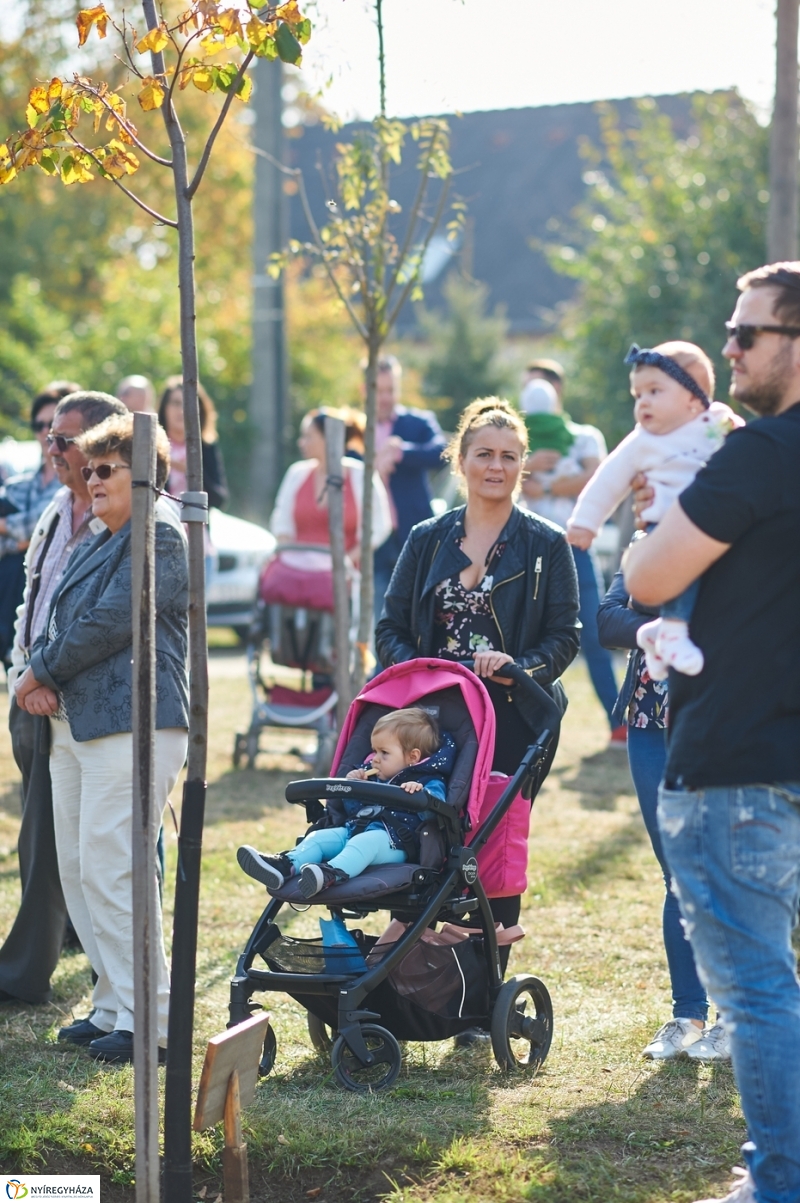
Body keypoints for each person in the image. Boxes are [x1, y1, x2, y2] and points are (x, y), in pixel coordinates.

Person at [624, 261, 800, 1203]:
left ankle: (780, 1185)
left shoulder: (760, 453)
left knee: (762, 993)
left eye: (748, 333)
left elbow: (647, 581)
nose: (727, 347)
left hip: (738, 765)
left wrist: (648, 533)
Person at [13, 410, 189, 1064]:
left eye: (105, 468)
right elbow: (65, 621)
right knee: (83, 869)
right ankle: (114, 1003)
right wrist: (42, 680)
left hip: (134, 721)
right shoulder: (96, 539)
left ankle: (156, 1019)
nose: (92, 479)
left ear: (143, 473)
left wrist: (41, 670)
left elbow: (115, 620)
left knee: (116, 869)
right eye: (86, 469)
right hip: (77, 722)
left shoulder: (160, 532)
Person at [376, 397, 580, 949]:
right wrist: (421, 672)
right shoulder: (425, 539)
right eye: (484, 454)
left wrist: (518, 669)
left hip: (514, 712)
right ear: (460, 460)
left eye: (509, 456)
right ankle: (415, 959)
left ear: (523, 464)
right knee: (421, 827)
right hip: (435, 713)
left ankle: (483, 983)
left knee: (494, 837)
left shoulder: (545, 543)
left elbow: (567, 636)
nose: (497, 467)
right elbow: (390, 628)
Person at [0, 390, 128, 1007]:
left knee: (75, 848)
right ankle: (61, 962)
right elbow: (36, 601)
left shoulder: (121, 523)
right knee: (44, 841)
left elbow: (101, 625)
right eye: (50, 436)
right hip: (32, 694)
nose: (52, 449)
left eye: (66, 439)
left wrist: (46, 677)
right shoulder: (57, 507)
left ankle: (25, 975)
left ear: (105, 446)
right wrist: (22, 672)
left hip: (79, 706)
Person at [597, 566, 728, 1063]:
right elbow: (609, 620)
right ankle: (689, 1015)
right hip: (651, 722)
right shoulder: (652, 543)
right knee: (677, 872)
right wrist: (657, 625)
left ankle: (734, 1020)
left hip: (725, 716)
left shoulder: (740, 527)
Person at [568, 342, 742, 678]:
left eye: (654, 391)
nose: (643, 401)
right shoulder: (642, 440)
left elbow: (748, 450)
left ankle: (660, 637)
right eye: (638, 395)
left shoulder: (716, 420)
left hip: (709, 521)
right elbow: (608, 480)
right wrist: (585, 523)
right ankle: (672, 632)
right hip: (664, 524)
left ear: (693, 397)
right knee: (681, 575)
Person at [237, 707, 455, 898]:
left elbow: (436, 813)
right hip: (354, 830)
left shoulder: (428, 781)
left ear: (413, 757)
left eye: (384, 753)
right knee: (319, 838)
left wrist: (422, 796)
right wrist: (354, 788)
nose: (375, 759)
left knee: (364, 844)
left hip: (394, 843)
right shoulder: (373, 778)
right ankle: (285, 866)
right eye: (374, 751)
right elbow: (354, 811)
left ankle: (331, 873)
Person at [519, 360, 622, 743]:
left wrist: (547, 487)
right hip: (527, 550)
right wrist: (525, 469)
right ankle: (524, 730)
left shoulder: (583, 436)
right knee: (527, 641)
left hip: (574, 546)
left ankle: (618, 723)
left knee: (595, 637)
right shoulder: (516, 438)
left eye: (541, 387)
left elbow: (599, 480)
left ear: (558, 390)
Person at [0, 382, 79, 667]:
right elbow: (36, 531)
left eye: (54, 426)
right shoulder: (18, 485)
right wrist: (20, 538)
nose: (46, 433)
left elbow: (50, 527)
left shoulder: (83, 484)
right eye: (39, 424)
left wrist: (13, 531)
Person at [371, 356, 447, 612]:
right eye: (378, 390)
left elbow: (442, 452)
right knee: (379, 618)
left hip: (413, 534)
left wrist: (402, 452)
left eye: (390, 390)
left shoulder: (417, 423)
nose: (384, 397)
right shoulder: (357, 429)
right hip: (374, 538)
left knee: (419, 611)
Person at [270, 408, 392, 556]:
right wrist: (289, 559)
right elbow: (282, 522)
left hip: (344, 573)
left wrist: (348, 561)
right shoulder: (296, 473)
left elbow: (379, 526)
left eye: (308, 437)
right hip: (298, 569)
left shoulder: (362, 475)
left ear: (327, 438)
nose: (301, 443)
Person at [157, 376, 228, 511]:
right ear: (164, 407)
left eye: (187, 404)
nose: (181, 411)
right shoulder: (152, 446)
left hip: (197, 529)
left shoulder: (206, 447)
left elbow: (219, 499)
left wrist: (191, 472)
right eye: (176, 403)